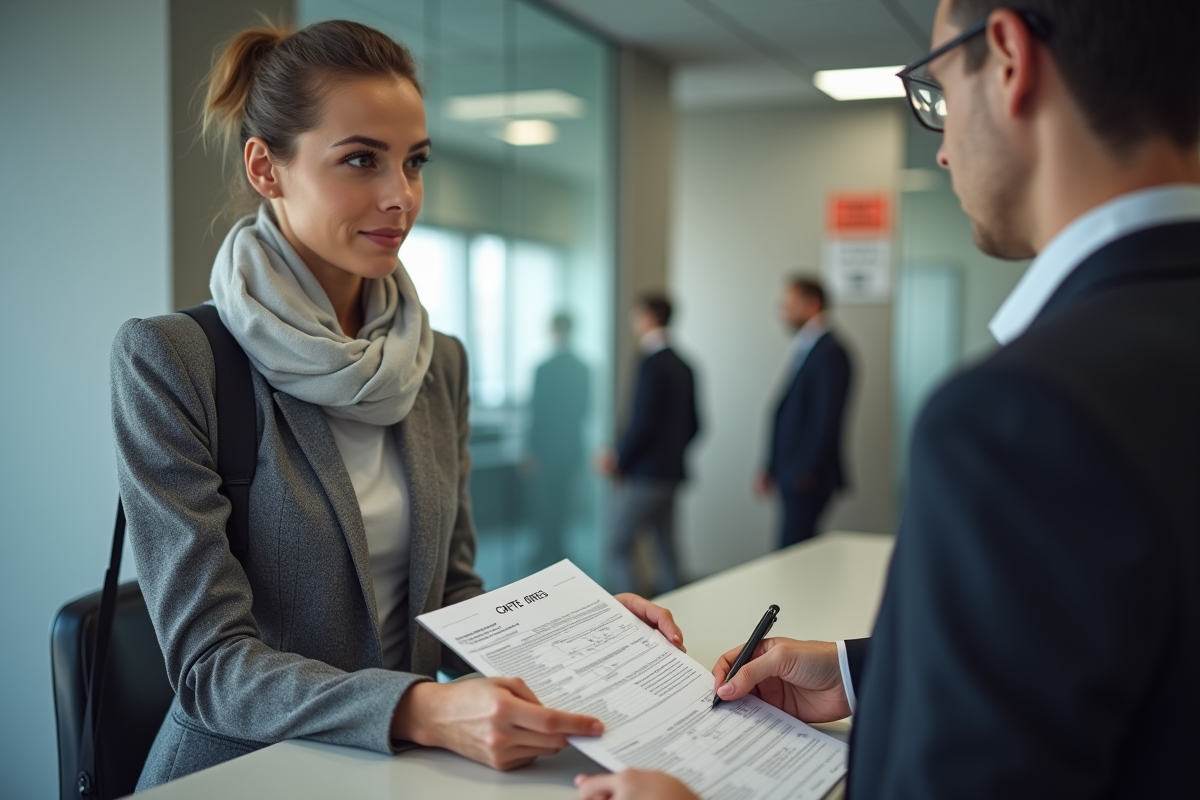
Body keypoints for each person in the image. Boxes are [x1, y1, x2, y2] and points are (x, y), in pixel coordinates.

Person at [575, 0, 1200, 797]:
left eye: (935, 91)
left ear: (1008, 58)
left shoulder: (1021, 414)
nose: (940, 152)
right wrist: (857, 672)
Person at [109, 20, 683, 790]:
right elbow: (211, 667)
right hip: (244, 772)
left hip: (400, 770)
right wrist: (420, 709)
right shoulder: (173, 359)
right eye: (360, 161)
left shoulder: (435, 361)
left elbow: (452, 595)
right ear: (266, 168)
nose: (400, 196)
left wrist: (578, 642)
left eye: (414, 162)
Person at [598, 295, 700, 595]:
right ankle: (679, 614)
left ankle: (629, 618)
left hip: (647, 473)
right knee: (666, 548)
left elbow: (642, 423)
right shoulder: (684, 364)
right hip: (671, 471)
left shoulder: (650, 362)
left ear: (649, 317)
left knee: (618, 543)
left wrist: (619, 458)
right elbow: (695, 425)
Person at [755, 277, 852, 548]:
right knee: (793, 552)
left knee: (792, 553)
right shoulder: (808, 348)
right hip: (792, 472)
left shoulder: (830, 352)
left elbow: (826, 417)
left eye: (789, 305)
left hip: (806, 477)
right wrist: (771, 465)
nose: (782, 312)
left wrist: (807, 470)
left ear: (812, 304)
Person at [525, 312, 591, 569]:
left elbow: (537, 413)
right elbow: (586, 409)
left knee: (545, 501)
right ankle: (560, 549)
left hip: (546, 447)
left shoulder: (544, 368)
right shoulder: (583, 368)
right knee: (564, 501)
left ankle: (547, 551)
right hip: (572, 445)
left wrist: (531, 450)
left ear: (552, 330)